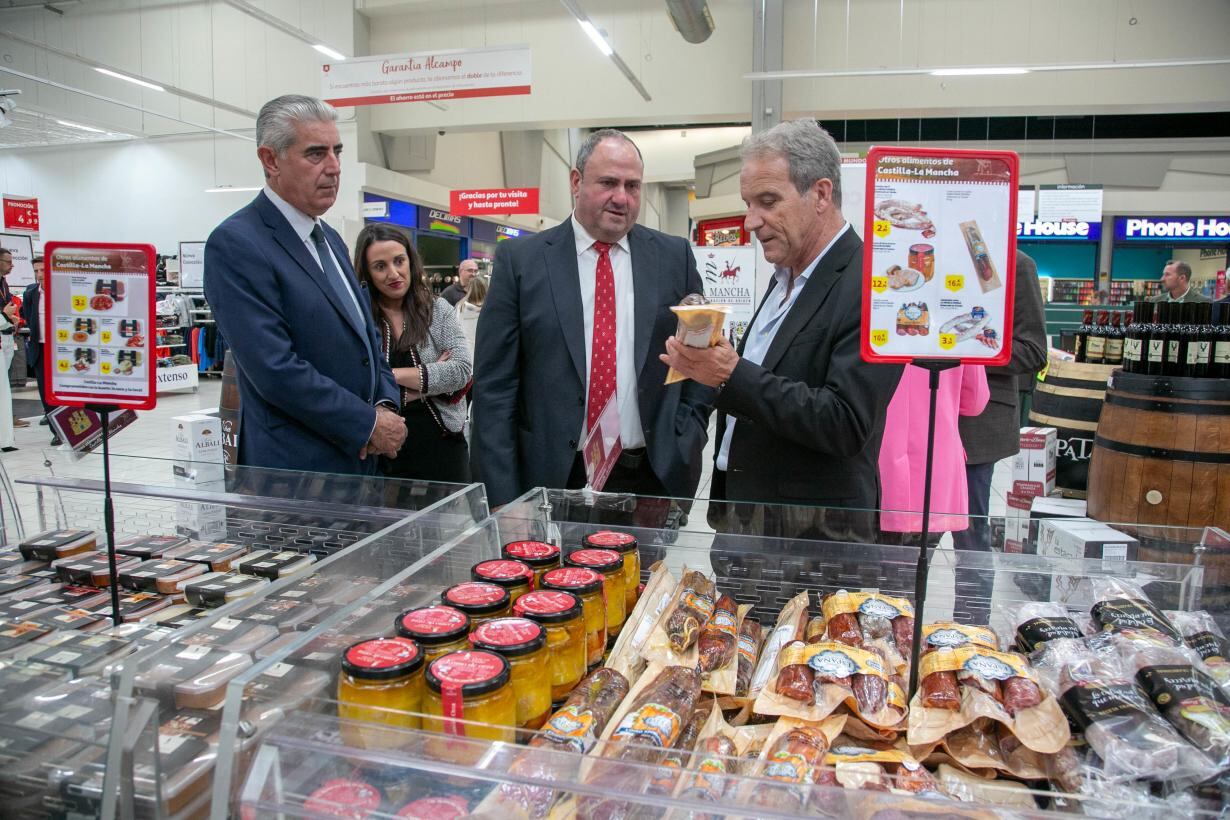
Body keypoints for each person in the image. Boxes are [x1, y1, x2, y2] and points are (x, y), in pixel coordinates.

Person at [662, 119, 902, 541]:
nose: (751, 221)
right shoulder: (784, 277)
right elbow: (774, 376)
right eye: (748, 203)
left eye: (768, 201)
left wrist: (730, 373)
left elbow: (846, 422)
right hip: (748, 519)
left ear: (821, 194)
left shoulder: (870, 284)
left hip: (812, 539)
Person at [473, 128, 713, 508]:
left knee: (648, 571)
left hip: (647, 478)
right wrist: (504, 498)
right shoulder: (522, 263)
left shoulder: (673, 258)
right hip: (551, 478)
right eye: (608, 183)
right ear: (575, 181)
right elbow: (495, 389)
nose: (622, 198)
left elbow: (701, 359)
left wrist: (687, 434)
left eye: (633, 186)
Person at [204, 94, 406, 474]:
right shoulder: (237, 244)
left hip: (360, 463)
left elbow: (367, 345)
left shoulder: (329, 238)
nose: (333, 168)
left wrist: (385, 407)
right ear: (270, 160)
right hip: (297, 472)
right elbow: (274, 368)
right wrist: (365, 424)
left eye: (337, 152)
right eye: (316, 154)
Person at [952, 250, 1047, 622]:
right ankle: (899, 637)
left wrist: (965, 345)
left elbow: (1033, 350)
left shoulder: (1016, 264)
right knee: (907, 539)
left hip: (978, 424)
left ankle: (971, 636)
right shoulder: (922, 260)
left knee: (971, 538)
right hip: (915, 421)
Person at [354, 223, 473, 483]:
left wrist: (388, 375)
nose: (393, 273)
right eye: (380, 266)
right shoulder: (359, 319)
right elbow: (358, 387)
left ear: (411, 261)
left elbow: (461, 371)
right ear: (367, 272)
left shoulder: (437, 310)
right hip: (382, 453)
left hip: (443, 448)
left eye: (399, 261)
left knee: (451, 523)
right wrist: (428, 383)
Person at [878, 363, 989, 545]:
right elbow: (975, 401)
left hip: (879, 462)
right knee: (919, 562)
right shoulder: (960, 336)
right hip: (935, 465)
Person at [20, 257, 59, 446]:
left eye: (43, 270)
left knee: (64, 391)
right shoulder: (31, 293)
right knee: (46, 394)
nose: (40, 274)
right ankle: (57, 431)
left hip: (61, 350)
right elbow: (28, 317)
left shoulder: (62, 292)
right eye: (36, 271)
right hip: (40, 349)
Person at [0, 248, 19, 451]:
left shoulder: (3, 283)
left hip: (5, 338)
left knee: (3, 391)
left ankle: (6, 439)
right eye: (7, 261)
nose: (11, 265)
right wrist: (5, 316)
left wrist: (9, 318)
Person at [454, 274, 487, 358]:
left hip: (465, 352)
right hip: (485, 351)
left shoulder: (460, 306)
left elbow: (455, 330)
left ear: (469, 288)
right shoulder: (491, 308)